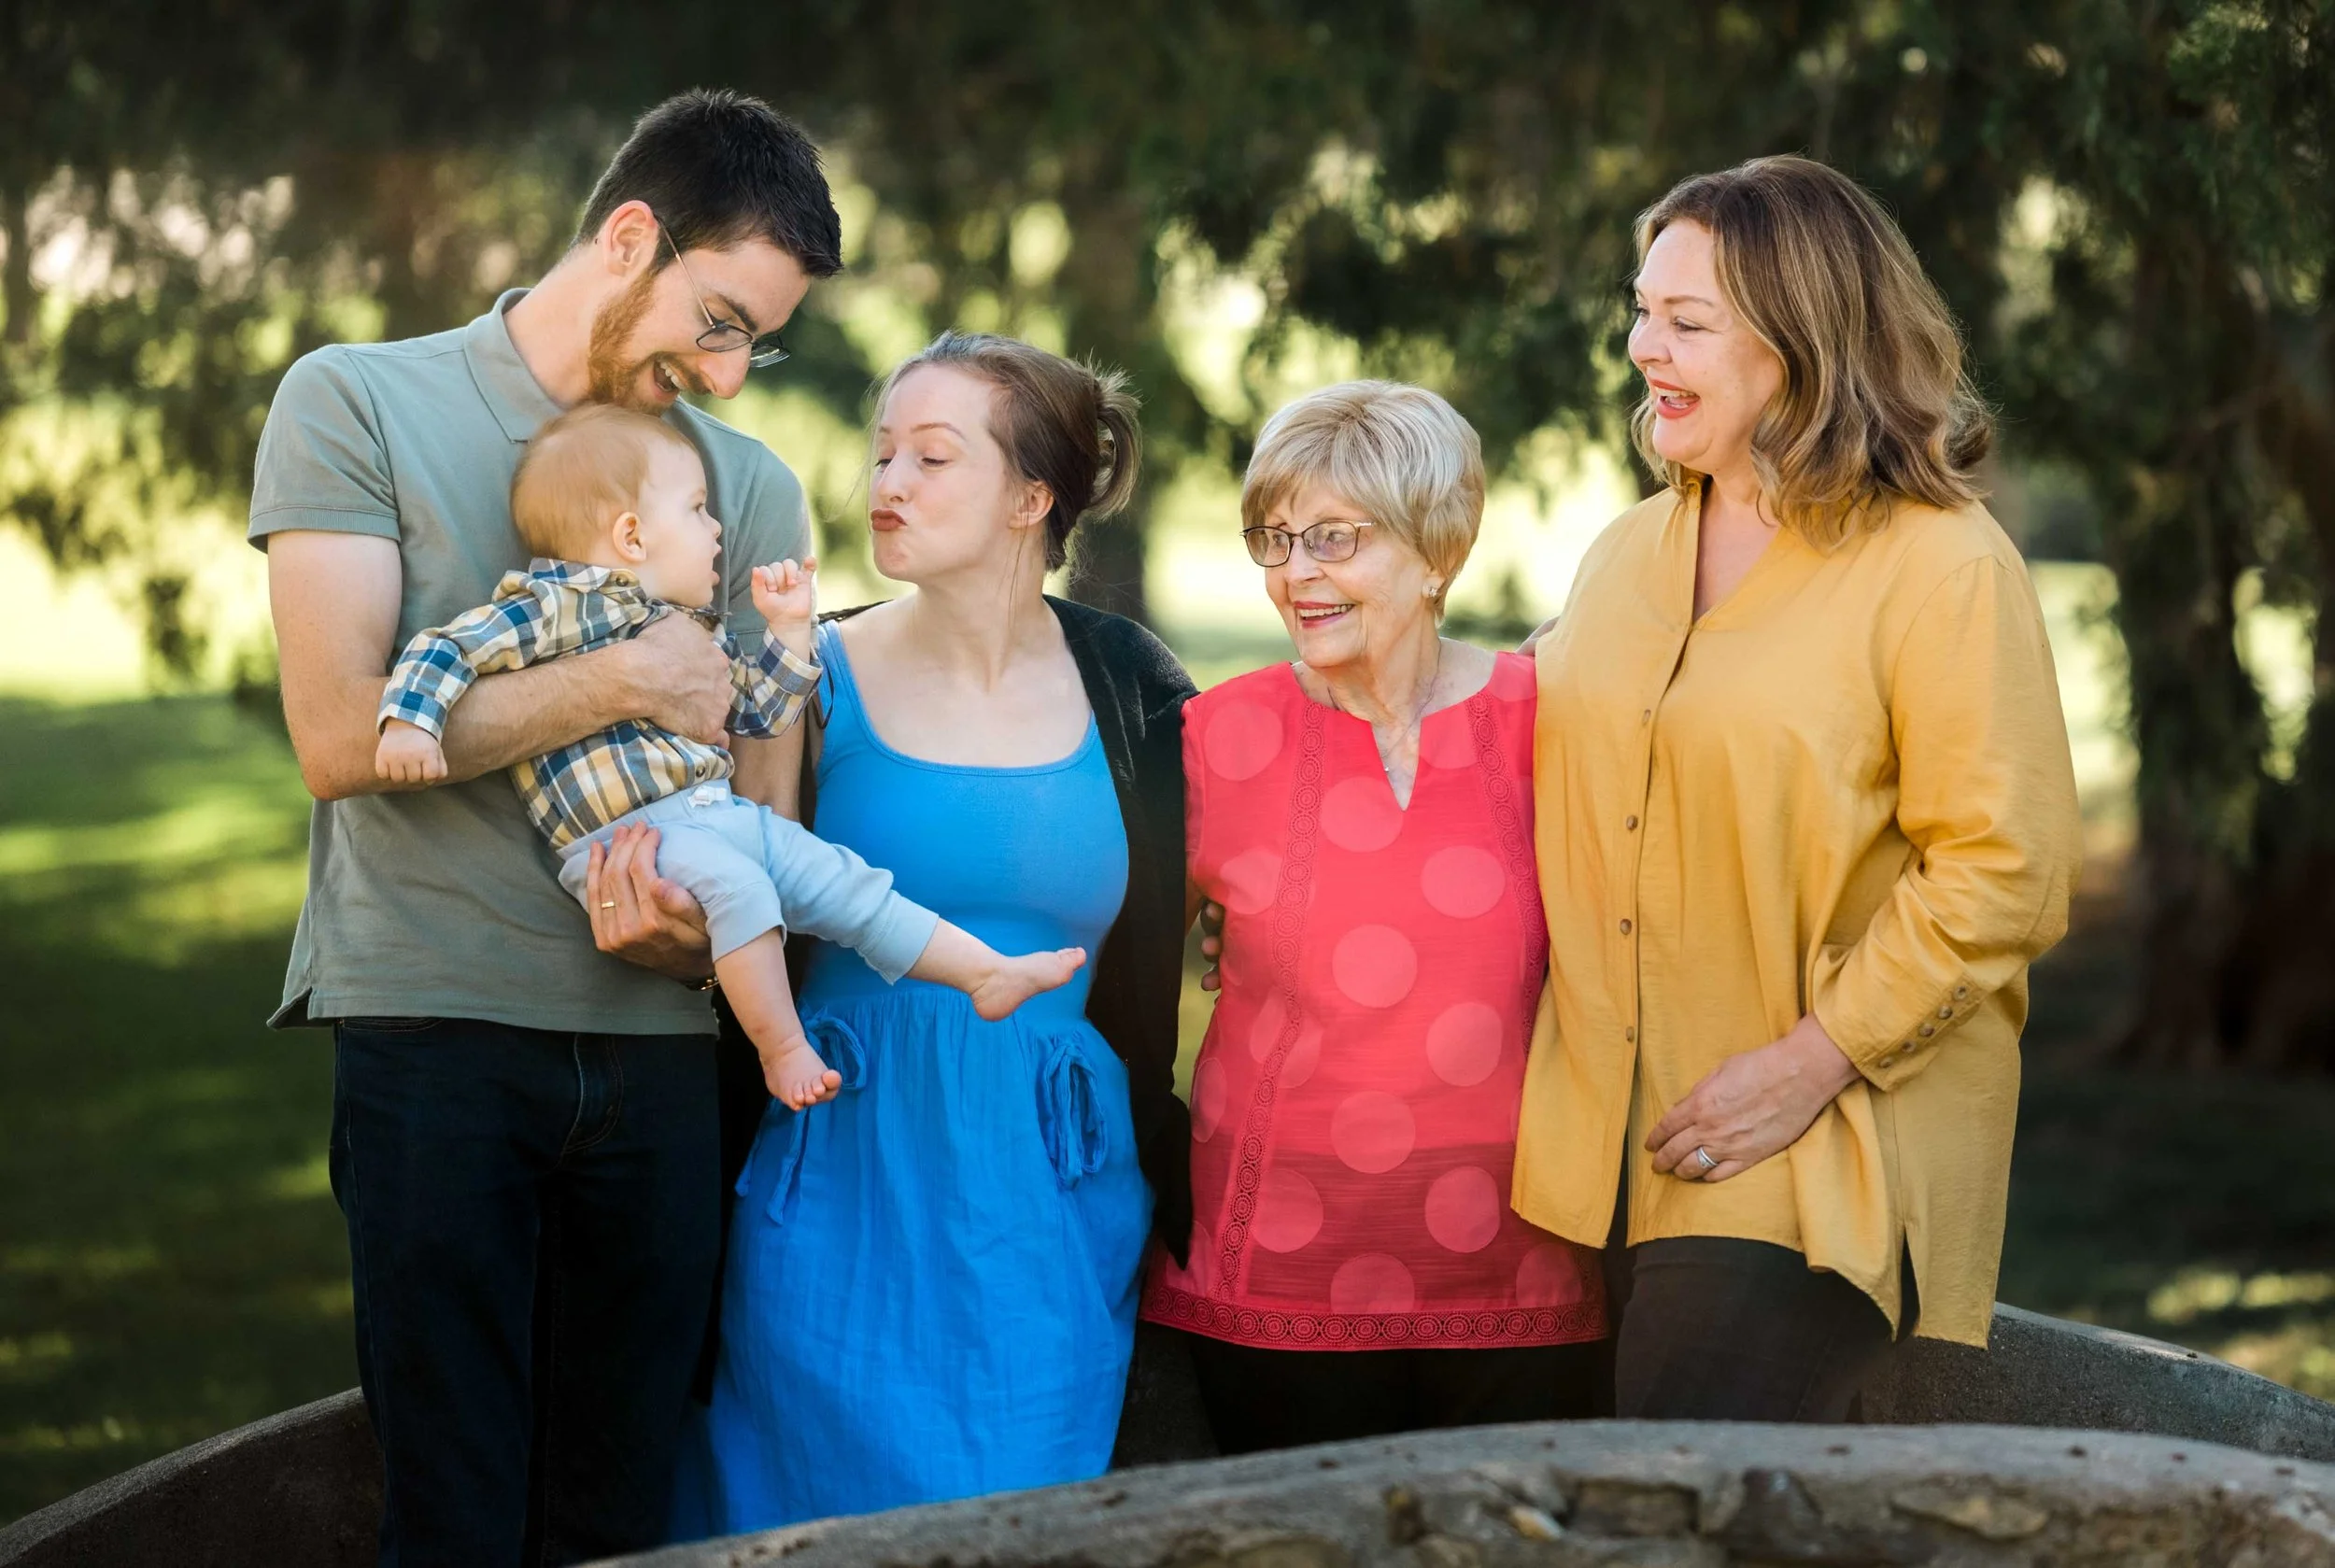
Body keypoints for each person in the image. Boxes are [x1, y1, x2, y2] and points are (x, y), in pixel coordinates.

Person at [249, 91, 843, 1565]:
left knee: (622, 1513)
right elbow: (339, 736)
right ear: (628, 236)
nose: (724, 372)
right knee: (452, 1507)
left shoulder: (747, 484)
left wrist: (705, 944)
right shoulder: (357, 399)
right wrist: (627, 678)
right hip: (432, 1040)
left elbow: (767, 808)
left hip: (660, 1063)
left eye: (753, 343)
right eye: (713, 320)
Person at [1513, 155, 2083, 1420]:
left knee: (1672, 1489)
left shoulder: (1941, 567)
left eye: (1686, 322)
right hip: (1593, 1149)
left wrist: (1815, 1059)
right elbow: (1509, 749)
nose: (1640, 345)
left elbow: (2007, 866)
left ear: (1798, 342)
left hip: (1821, 1150)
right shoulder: (1625, 553)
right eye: (1641, 309)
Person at [649, 332, 1194, 1533]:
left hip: (1049, 1187)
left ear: (1031, 497)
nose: (886, 483)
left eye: (932, 457)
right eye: (883, 451)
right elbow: (750, 865)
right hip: (835, 1160)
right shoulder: (813, 670)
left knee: (1022, 1512)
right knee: (801, 1516)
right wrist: (767, 693)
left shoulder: (1129, 685)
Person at [374, 403, 1086, 1106]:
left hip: (714, 813)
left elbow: (756, 711)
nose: (717, 529)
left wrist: (789, 631)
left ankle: (984, 973)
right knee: (744, 892)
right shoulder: (552, 606)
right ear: (630, 535)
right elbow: (446, 647)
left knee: (845, 879)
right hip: (637, 836)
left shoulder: (686, 627)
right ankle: (782, 1050)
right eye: (696, 510)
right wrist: (411, 724)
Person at [1145, 382, 1606, 1453]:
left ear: (1435, 547)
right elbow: (1121, 957)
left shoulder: (1552, 720)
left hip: (1524, 1267)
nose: (1293, 571)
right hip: (1273, 1277)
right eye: (1274, 538)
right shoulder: (1217, 735)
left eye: (1333, 539)